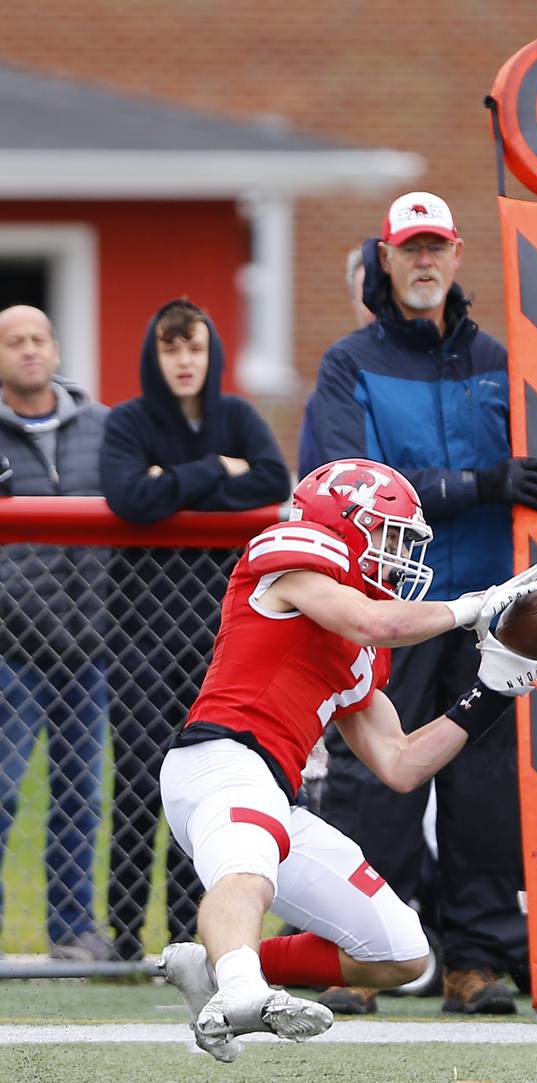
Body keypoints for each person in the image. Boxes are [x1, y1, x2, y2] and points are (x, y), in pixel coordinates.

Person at [158, 457, 537, 1061]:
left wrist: (491, 694)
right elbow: (372, 619)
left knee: (400, 954)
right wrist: (473, 606)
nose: (396, 555)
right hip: (220, 759)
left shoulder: (359, 650)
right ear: (339, 522)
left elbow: (399, 763)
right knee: (248, 871)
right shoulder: (292, 554)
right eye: (387, 533)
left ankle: (217, 966)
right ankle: (243, 991)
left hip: (274, 793)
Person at [306, 192, 537, 1014]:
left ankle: (475, 960)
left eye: (436, 247)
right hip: (394, 606)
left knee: (486, 790)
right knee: (376, 782)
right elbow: (355, 479)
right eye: (408, 248)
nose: (423, 262)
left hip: (492, 603)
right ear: (384, 257)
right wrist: (479, 484)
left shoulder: (508, 357)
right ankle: (356, 953)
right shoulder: (350, 362)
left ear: (457, 258)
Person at [100, 298, 291, 961]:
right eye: (171, 348)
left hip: (220, 638)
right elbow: (130, 496)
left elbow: (272, 480)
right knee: (137, 778)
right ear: (154, 357)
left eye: (195, 348)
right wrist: (217, 470)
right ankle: (124, 932)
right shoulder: (127, 421)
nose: (184, 361)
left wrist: (176, 482)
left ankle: (190, 927)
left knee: (205, 786)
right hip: (137, 633)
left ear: (211, 355)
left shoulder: (236, 415)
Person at [0, 304, 113, 961]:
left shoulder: (102, 426)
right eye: (13, 342)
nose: (28, 350)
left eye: (37, 338)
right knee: (3, 792)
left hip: (88, 648)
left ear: (57, 346)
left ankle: (72, 929)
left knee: (81, 796)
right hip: (10, 648)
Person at [297, 246, 373, 481]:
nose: (379, 309)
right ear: (355, 305)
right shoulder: (331, 391)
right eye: (368, 298)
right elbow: (313, 480)